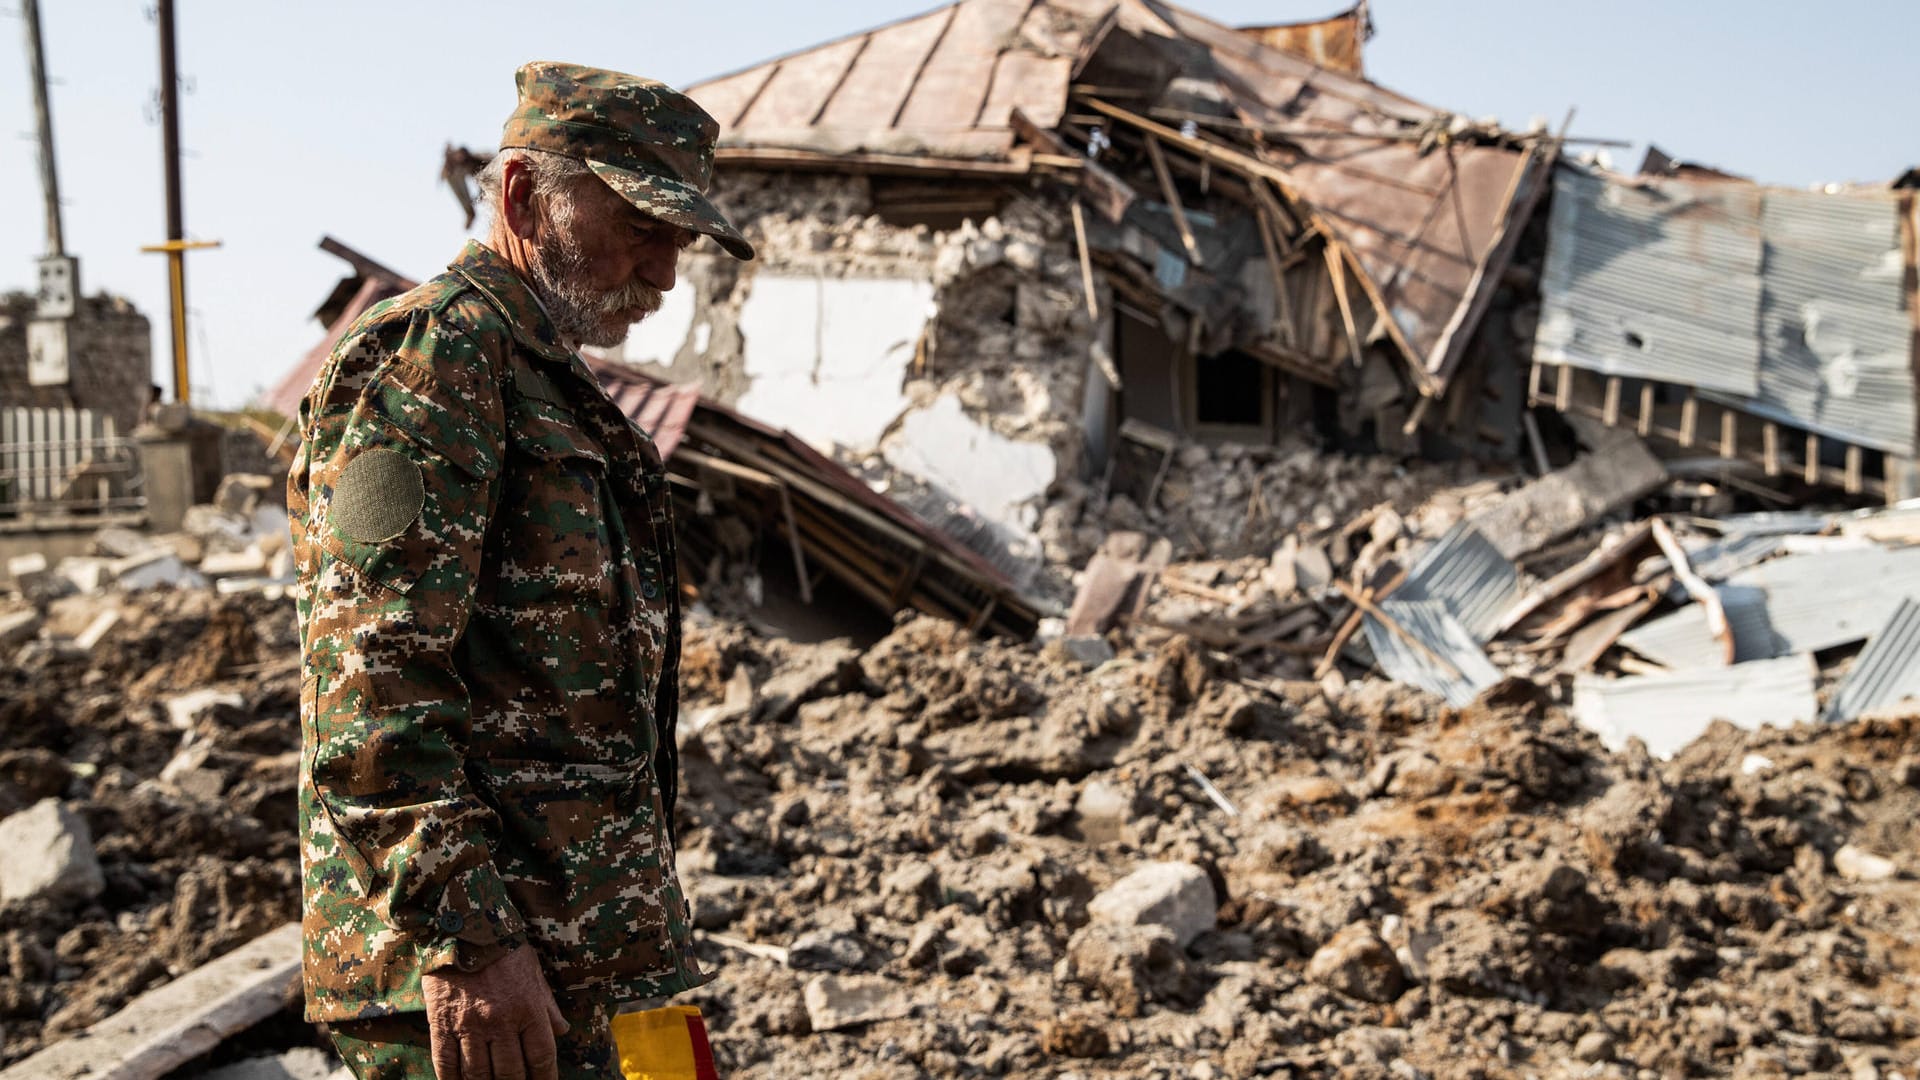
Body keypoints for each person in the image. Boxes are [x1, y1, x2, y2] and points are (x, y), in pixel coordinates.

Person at [288, 61, 754, 1080]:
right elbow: (371, 683)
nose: (666, 272)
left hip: (611, 950)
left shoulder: (548, 380)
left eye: (678, 239)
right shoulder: (430, 365)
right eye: (641, 224)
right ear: (520, 196)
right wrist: (469, 941)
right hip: (494, 981)